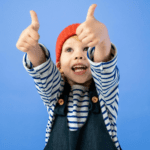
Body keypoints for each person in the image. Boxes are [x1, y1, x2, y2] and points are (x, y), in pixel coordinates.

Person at [16, 4, 122, 150]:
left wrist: (103, 40)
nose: (78, 55)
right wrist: (32, 48)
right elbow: (43, 74)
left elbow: (105, 70)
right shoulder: (54, 94)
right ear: (58, 65)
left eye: (86, 49)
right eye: (69, 50)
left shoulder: (106, 95)